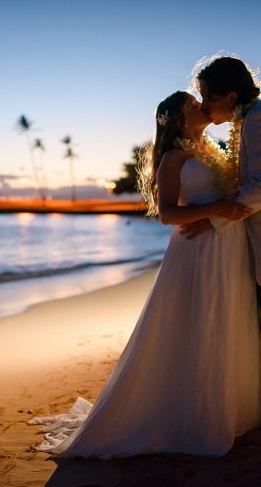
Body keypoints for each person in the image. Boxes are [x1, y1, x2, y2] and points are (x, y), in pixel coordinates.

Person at [28, 90, 261, 459]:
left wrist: (223, 213)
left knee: (228, 320)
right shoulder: (173, 158)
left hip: (229, 247)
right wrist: (218, 209)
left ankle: (230, 409)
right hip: (196, 252)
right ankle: (192, 415)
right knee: (197, 323)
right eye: (192, 105)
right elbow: (168, 214)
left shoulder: (216, 150)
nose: (201, 104)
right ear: (179, 120)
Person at [180, 56, 261, 320]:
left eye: (209, 97)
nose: (204, 105)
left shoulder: (257, 120)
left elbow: (260, 185)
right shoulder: (248, 120)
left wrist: (213, 217)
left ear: (231, 97)